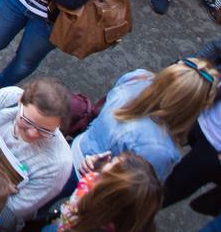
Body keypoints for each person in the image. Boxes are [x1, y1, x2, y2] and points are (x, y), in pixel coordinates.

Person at [71, 59, 218, 184]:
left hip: (77, 146)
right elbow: (133, 189)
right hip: (88, 182)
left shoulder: (137, 77)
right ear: (195, 106)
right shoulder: (161, 151)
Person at [0, 78, 74, 226]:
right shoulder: (8, 97)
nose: (32, 133)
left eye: (45, 131)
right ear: (20, 102)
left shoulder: (59, 163)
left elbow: (15, 208)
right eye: (27, 121)